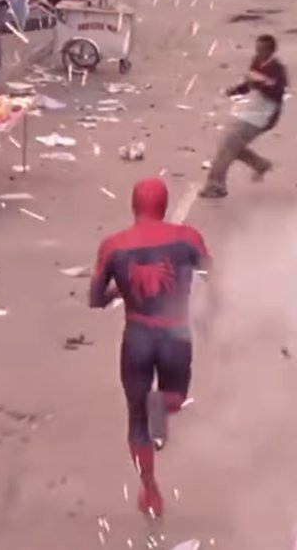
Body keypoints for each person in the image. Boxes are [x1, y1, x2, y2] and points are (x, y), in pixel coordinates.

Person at [89, 177, 211, 519]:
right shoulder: (189, 239)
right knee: (175, 398)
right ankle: (166, 403)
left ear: (133, 205)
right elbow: (213, 277)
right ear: (164, 204)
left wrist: (118, 291)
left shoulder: (113, 246)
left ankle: (150, 489)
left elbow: (95, 299)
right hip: (175, 336)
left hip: (137, 338)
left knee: (137, 419)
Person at [200, 34, 287, 198]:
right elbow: (249, 84)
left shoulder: (277, 69)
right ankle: (259, 164)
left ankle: (215, 185)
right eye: (257, 49)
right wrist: (236, 90)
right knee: (231, 144)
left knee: (228, 144)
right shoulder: (256, 61)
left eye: (262, 50)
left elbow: (276, 92)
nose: (259, 53)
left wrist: (260, 82)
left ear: (271, 51)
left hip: (263, 115)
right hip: (250, 109)